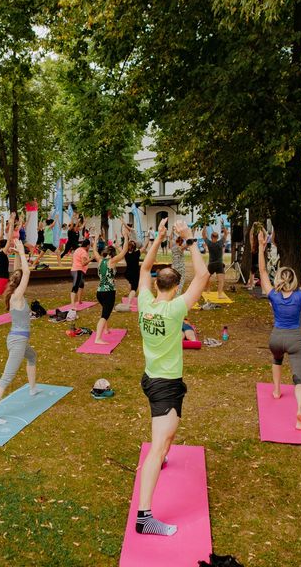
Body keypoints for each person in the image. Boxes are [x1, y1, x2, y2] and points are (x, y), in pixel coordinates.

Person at [134, 217, 208, 537]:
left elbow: (143, 268)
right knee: (158, 445)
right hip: (164, 386)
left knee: (167, 436)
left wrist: (158, 237)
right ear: (175, 288)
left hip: (154, 379)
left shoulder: (144, 303)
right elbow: (203, 275)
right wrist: (189, 239)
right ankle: (144, 517)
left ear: (156, 285)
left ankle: (161, 457)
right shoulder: (176, 309)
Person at [257, 228, 301, 431]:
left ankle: (276, 390)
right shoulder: (300, 295)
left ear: (280, 279)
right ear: (294, 280)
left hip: (276, 339)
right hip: (295, 340)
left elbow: (262, 272)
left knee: (277, 359)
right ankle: (299, 410)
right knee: (299, 377)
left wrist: (262, 248)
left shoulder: (273, 295)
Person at [0, 240, 40, 423]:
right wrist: (22, 253)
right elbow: (26, 273)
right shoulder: (16, 297)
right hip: (17, 342)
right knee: (7, 377)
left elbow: (19, 272)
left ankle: (32, 388)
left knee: (32, 356)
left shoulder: (15, 294)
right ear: (20, 283)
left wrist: (17, 254)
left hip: (18, 340)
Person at [92, 239, 127, 344]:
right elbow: (124, 251)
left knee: (105, 310)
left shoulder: (100, 260)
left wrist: (96, 239)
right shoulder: (112, 261)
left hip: (99, 292)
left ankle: (106, 329)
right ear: (112, 254)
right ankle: (98, 338)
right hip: (109, 293)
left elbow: (94, 250)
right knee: (104, 315)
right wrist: (126, 237)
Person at [121, 221, 144, 305]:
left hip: (127, 273)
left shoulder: (126, 254)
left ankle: (130, 293)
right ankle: (129, 300)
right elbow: (143, 248)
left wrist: (122, 222)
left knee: (131, 282)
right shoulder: (136, 253)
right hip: (134, 273)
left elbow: (121, 250)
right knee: (134, 288)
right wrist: (148, 241)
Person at [203, 224, 229, 299]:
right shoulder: (220, 242)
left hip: (211, 264)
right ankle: (219, 294)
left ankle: (208, 290)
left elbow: (204, 235)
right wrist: (223, 226)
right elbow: (226, 233)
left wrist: (204, 227)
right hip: (219, 264)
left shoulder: (209, 243)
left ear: (211, 237)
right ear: (217, 238)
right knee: (221, 280)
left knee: (207, 277)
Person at [69, 237, 92, 310]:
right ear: (87, 245)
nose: (89, 247)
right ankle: (72, 305)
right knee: (75, 287)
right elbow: (83, 263)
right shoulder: (83, 252)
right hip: (78, 270)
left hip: (75, 270)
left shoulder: (78, 249)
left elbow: (72, 260)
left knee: (81, 284)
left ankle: (79, 300)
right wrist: (91, 259)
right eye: (89, 246)